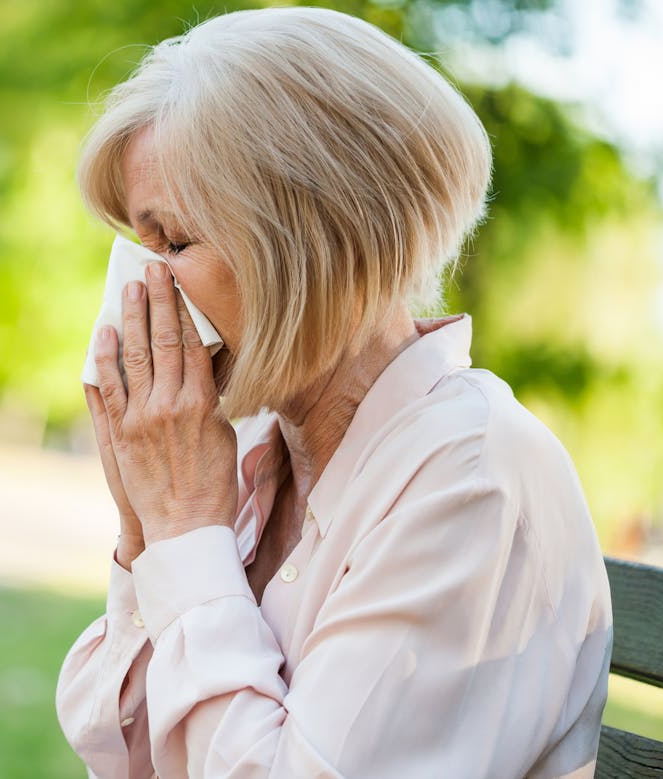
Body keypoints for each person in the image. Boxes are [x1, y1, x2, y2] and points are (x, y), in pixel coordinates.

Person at [55, 6, 613, 778]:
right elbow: (122, 756)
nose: (144, 287)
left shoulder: (474, 481)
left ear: (310, 244)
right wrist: (147, 531)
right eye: (138, 246)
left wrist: (183, 528)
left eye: (174, 242)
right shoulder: (254, 458)